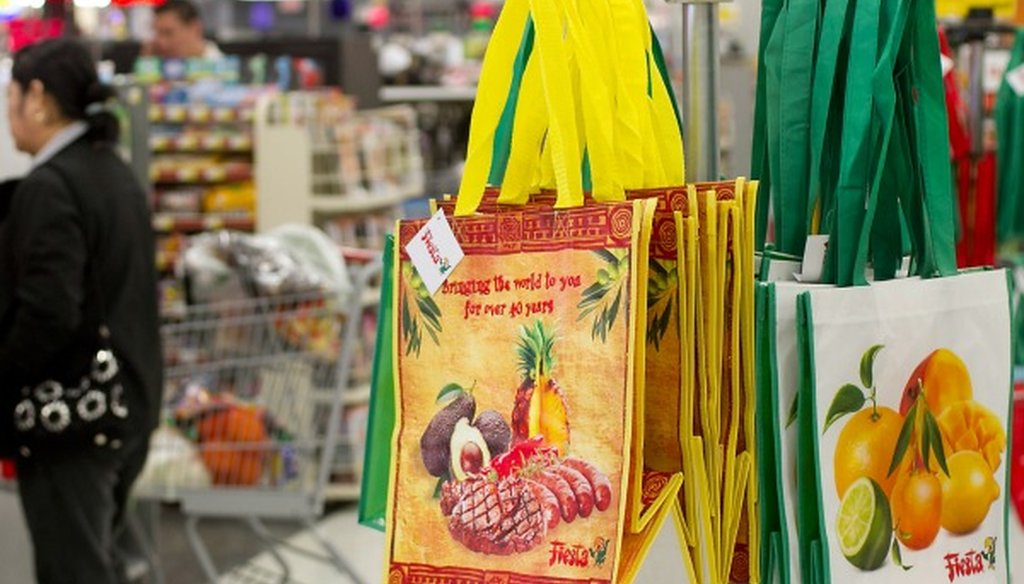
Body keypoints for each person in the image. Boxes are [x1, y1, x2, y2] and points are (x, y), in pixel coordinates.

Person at [0, 38, 162, 584]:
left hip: (70, 417)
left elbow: (48, 312)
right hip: (127, 400)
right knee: (98, 559)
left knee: (73, 568)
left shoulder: (51, 187)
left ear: (38, 98)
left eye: (11, 93)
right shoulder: (111, 171)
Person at [152, 0, 223, 60]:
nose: (161, 43)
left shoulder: (223, 72)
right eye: (158, 33)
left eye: (168, 33)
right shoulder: (157, 65)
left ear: (195, 29)